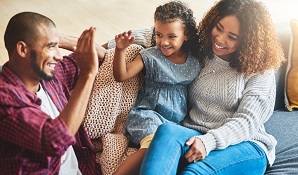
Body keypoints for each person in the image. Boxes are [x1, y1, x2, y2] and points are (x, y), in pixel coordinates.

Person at [129, 0, 284, 174]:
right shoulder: (203, 49)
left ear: (250, 41)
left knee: (193, 173)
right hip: (194, 133)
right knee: (166, 131)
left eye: (232, 37)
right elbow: (161, 32)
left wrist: (209, 142)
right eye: (218, 28)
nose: (220, 39)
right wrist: (108, 46)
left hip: (245, 144)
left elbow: (247, 121)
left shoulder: (260, 69)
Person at [0, 11, 106, 174]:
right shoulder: (5, 97)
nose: (59, 56)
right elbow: (55, 139)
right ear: (22, 49)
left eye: (58, 46)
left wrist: (57, 38)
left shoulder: (50, 76)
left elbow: (102, 57)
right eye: (51, 47)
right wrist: (87, 75)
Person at [112, 1, 200, 175]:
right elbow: (121, 75)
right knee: (154, 145)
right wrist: (120, 50)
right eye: (159, 34)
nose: (164, 42)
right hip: (148, 114)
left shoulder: (195, 62)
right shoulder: (150, 56)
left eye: (172, 36)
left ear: (186, 35)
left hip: (175, 123)